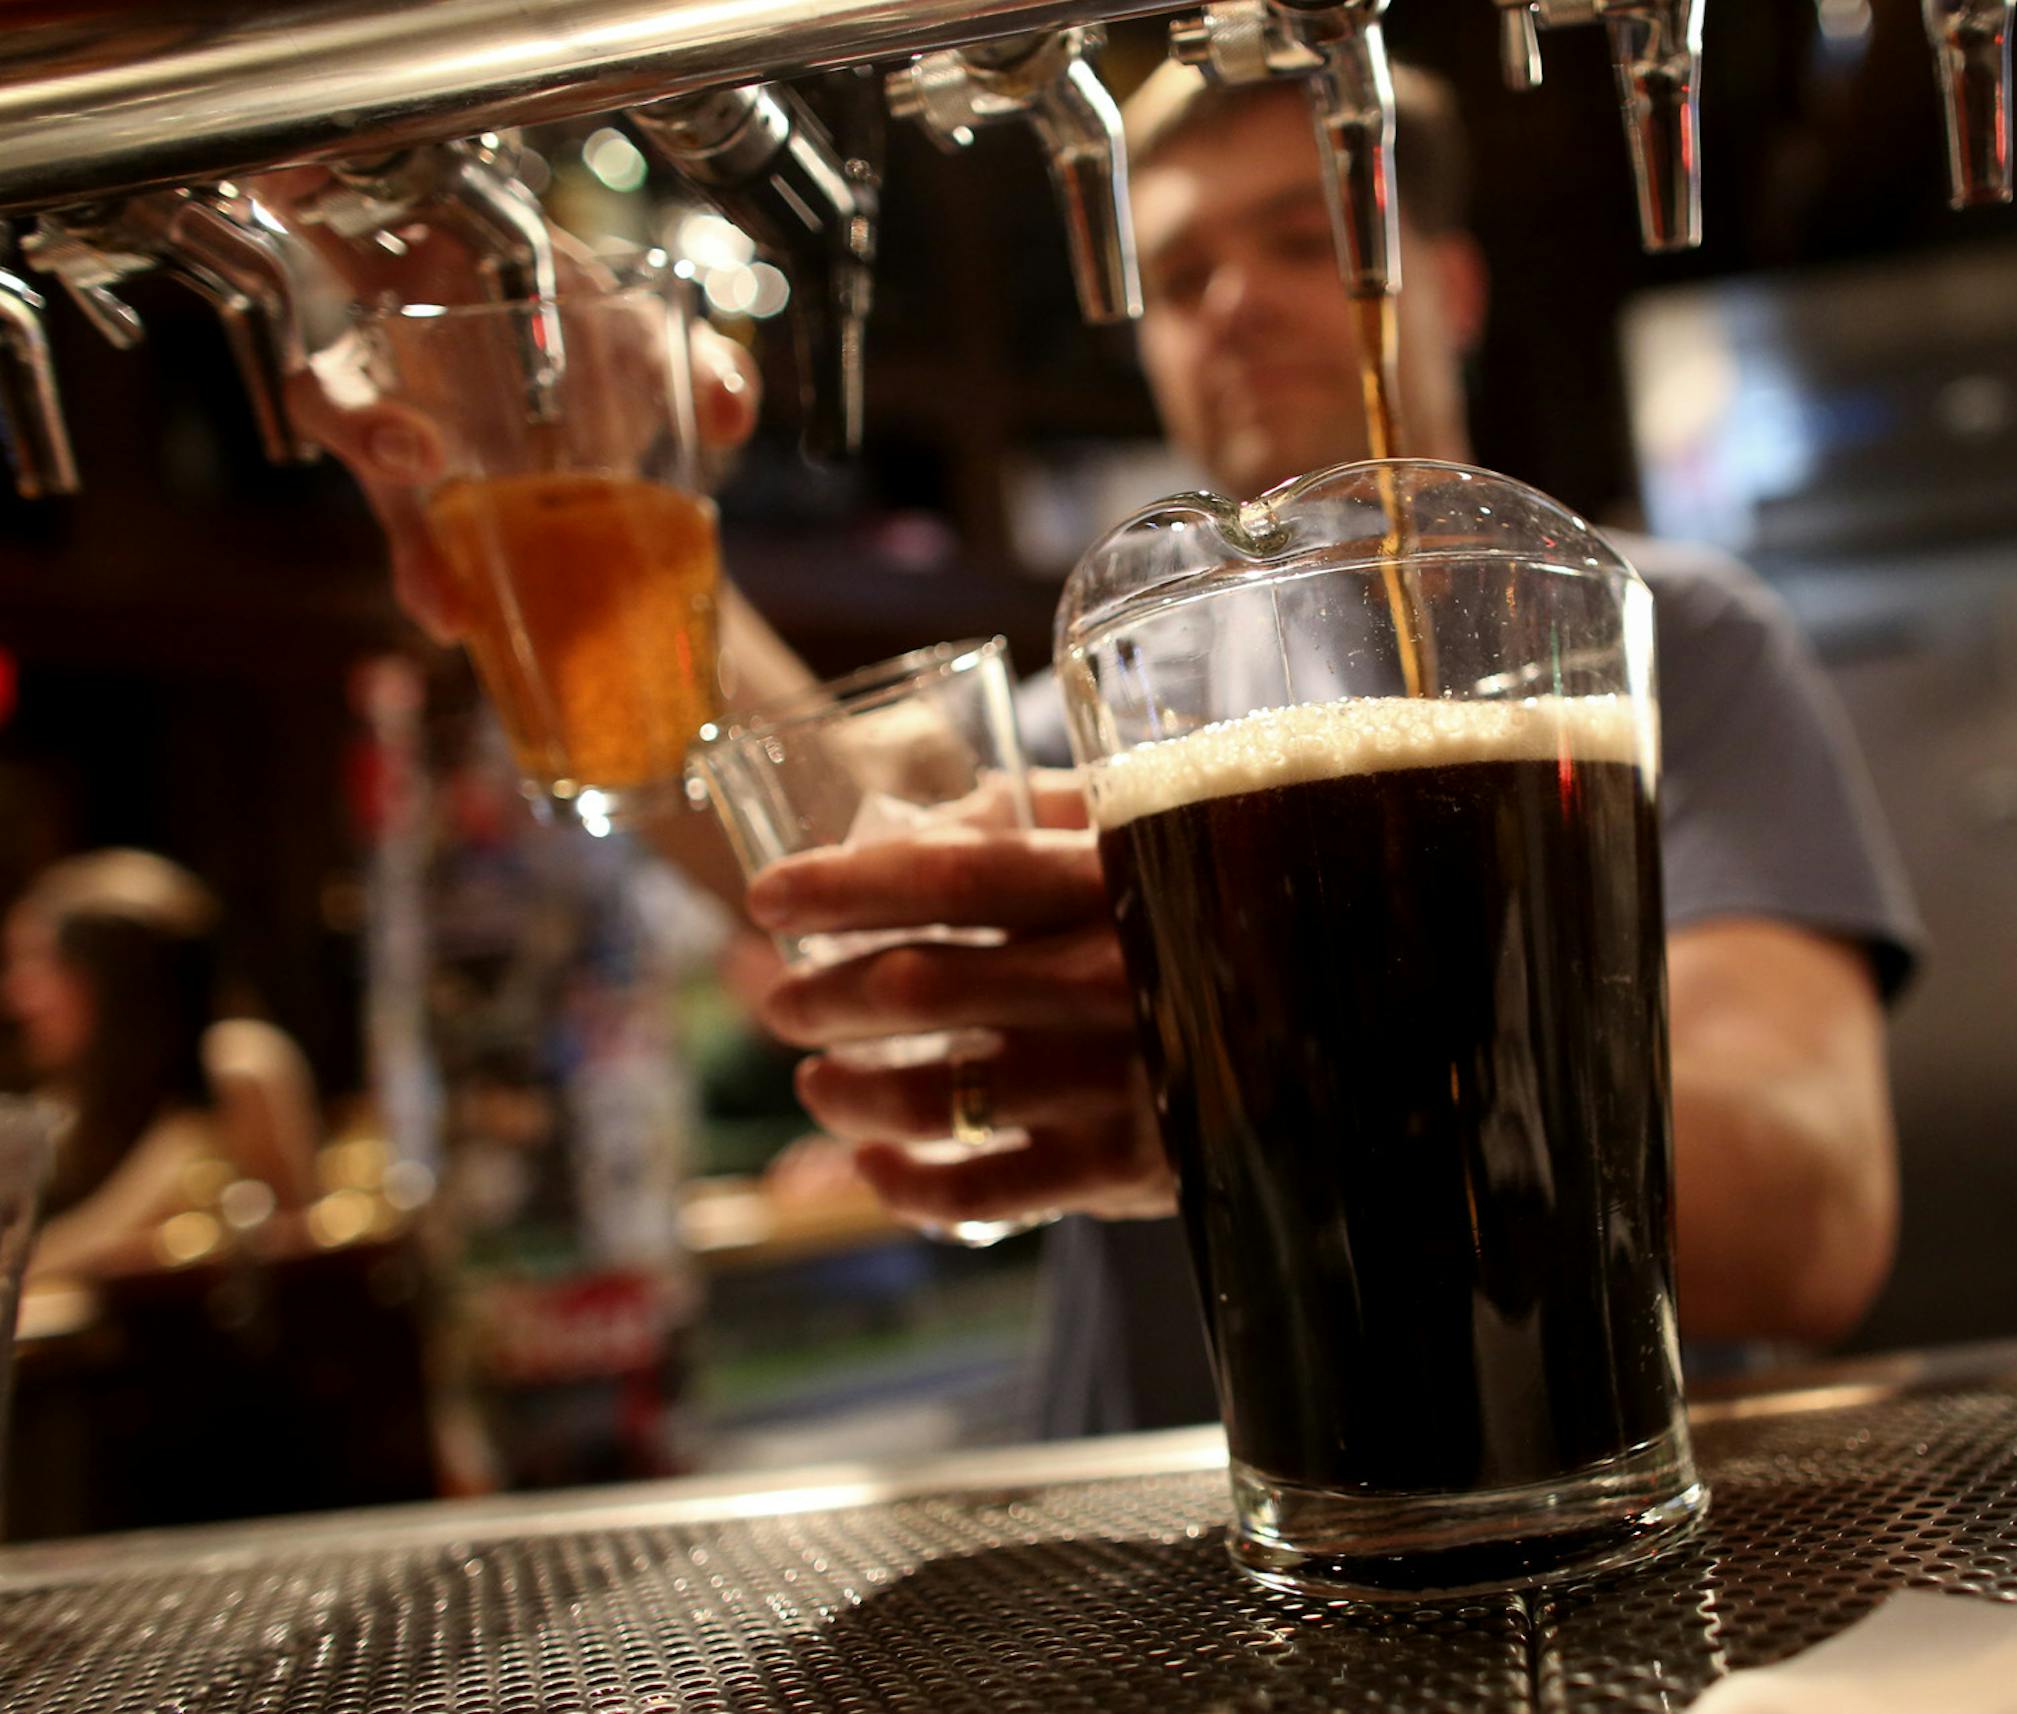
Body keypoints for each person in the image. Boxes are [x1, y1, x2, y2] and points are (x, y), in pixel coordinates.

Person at [276, 60, 1921, 1437]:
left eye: (1308, 238)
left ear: (1455, 283)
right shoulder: (1124, 702)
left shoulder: (1662, 634)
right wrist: (568, 484)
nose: (1240, 302)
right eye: (1184, 272)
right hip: (1146, 1541)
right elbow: (827, 824)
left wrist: (1291, 1099)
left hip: (1572, 1490)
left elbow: (1813, 1209)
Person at [3, 850, 320, 1278]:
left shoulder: (231, 1069)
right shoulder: (69, 1108)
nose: (16, 994)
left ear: (114, 977)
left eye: (40, 962)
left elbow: (298, 1259)